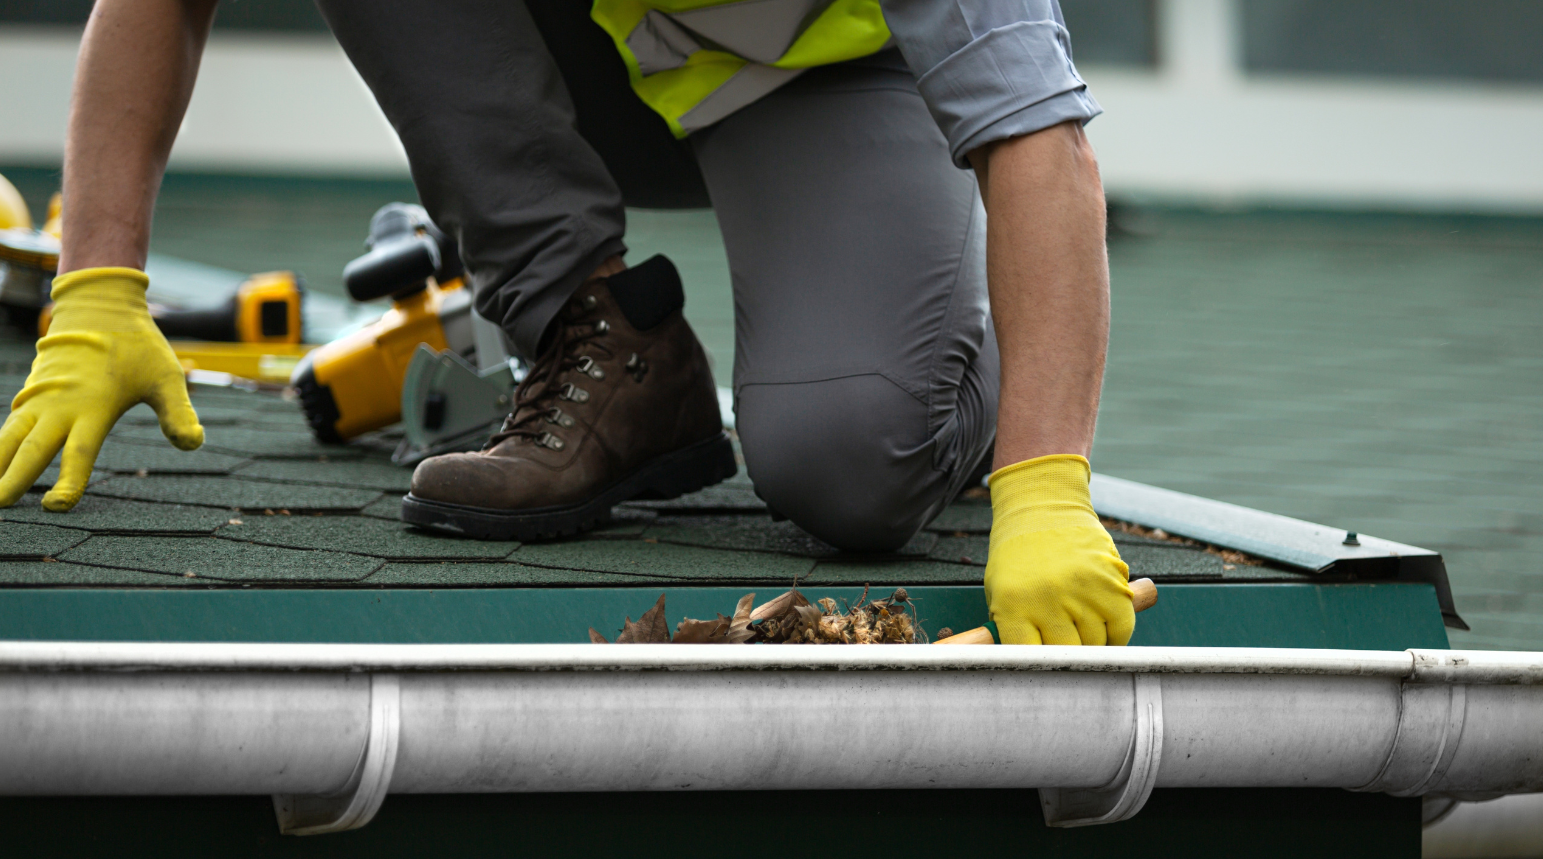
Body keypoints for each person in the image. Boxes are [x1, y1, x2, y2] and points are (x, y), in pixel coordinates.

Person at [0, 0, 1135, 647]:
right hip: (580, 47)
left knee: (851, 469)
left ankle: (964, 374)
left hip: (815, 83)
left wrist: (1042, 478)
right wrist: (99, 286)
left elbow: (1041, 143)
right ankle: (592, 332)